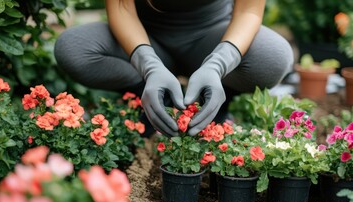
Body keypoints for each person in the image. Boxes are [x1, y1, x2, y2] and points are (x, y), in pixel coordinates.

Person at [54, 0, 294, 137]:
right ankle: (149, 97)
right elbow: (121, 8)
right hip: (145, 38)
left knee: (272, 58)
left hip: (212, 38)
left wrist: (217, 64)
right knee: (74, 49)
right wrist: (149, 66)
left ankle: (216, 101)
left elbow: (249, 11)